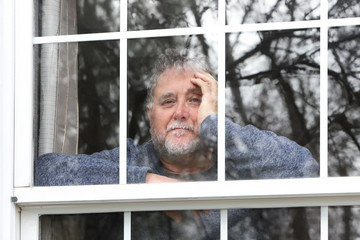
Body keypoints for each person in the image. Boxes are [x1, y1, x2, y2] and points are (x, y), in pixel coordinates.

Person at [35, 48, 319, 239]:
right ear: (150, 115)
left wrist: (215, 126)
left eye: (195, 100)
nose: (181, 112)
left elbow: (305, 169)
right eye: (168, 101)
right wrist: (148, 184)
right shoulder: (132, 161)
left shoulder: (240, 163)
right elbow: (45, 172)